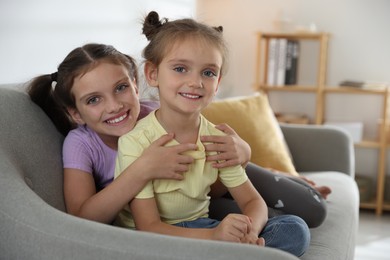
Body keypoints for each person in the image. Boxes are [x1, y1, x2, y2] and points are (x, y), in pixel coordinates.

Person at [114, 11, 310, 256]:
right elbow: (148, 227)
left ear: (217, 84)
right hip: (155, 241)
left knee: (294, 229)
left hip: (203, 230)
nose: (196, 82)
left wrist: (250, 230)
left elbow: (253, 202)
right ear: (153, 74)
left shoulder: (216, 140)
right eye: (180, 69)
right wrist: (215, 236)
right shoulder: (135, 142)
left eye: (208, 73)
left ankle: (238, 253)